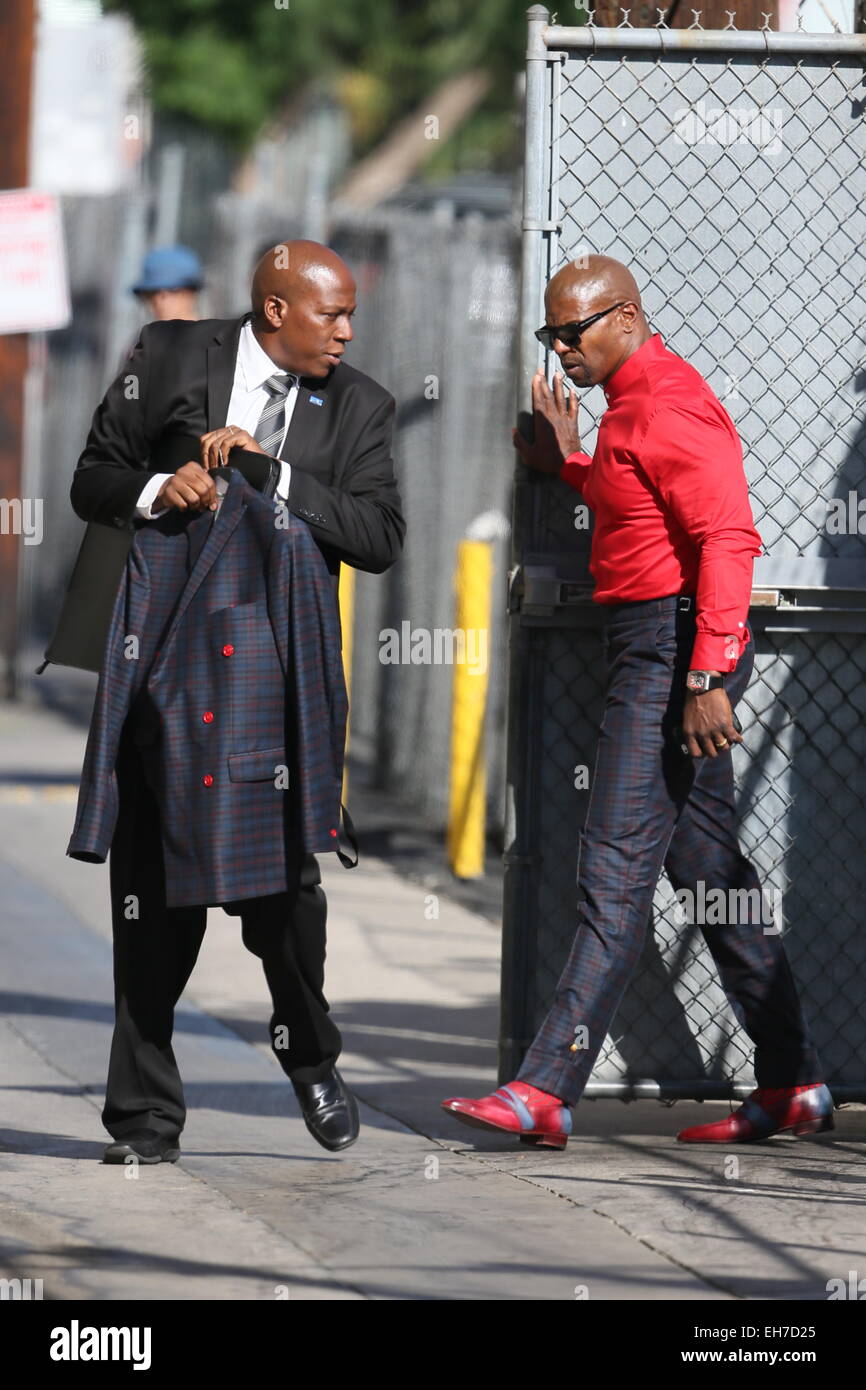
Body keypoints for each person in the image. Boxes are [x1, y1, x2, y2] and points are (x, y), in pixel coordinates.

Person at [442, 255, 832, 1148]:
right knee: (705, 868)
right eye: (548, 336)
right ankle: (795, 1080)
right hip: (656, 645)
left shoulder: (667, 402)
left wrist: (703, 677)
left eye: (569, 335)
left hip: (668, 651)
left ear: (622, 316)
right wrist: (569, 464)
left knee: (613, 870)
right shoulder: (632, 408)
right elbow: (637, 501)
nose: (559, 354)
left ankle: (545, 1089)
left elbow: (728, 538)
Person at [70, 239, 405, 1163]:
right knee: (149, 896)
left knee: (285, 899)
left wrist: (274, 475)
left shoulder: (362, 406)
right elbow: (89, 479)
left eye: (348, 316)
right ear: (273, 312)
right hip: (165, 668)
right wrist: (152, 488)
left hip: (276, 679)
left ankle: (309, 1056)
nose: (345, 331)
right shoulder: (171, 357)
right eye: (329, 315)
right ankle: (143, 1121)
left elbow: (379, 537)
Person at [131, 244, 204, 322]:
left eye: (172, 290)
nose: (159, 301)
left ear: (192, 292)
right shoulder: (143, 334)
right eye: (152, 292)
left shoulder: (213, 333)